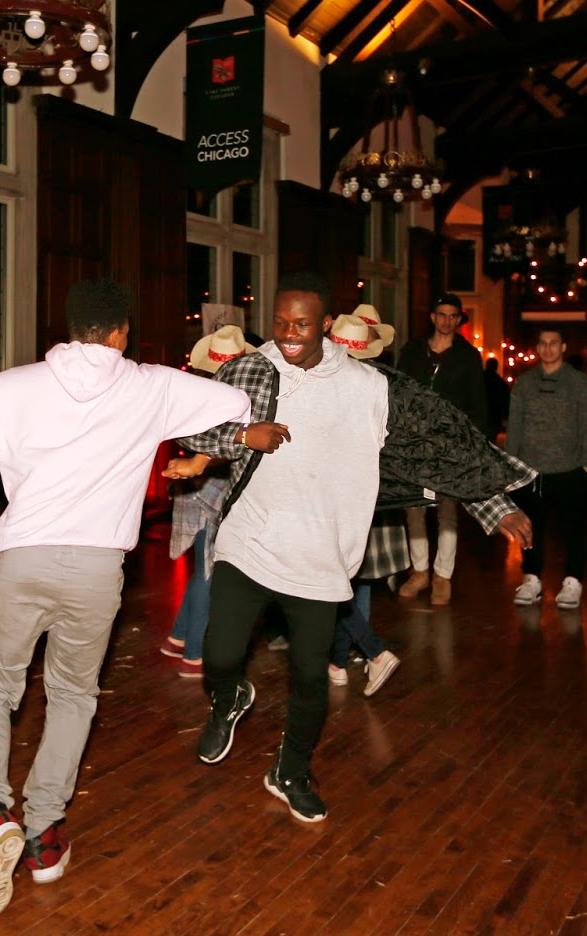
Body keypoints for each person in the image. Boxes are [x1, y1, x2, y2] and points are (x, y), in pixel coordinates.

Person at [0, 279, 262, 922]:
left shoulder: (14, 387)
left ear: (70, 330)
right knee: (73, 695)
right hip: (99, 569)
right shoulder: (152, 387)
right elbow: (237, 401)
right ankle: (44, 836)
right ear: (121, 332)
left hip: (23, 559)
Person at [181, 275, 389, 825]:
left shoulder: (367, 386)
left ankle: (291, 771)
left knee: (310, 678)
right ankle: (230, 695)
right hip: (249, 539)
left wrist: (492, 503)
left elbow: (419, 451)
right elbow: (191, 431)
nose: (288, 334)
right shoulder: (249, 370)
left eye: (301, 324)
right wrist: (240, 437)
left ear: (327, 324)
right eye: (279, 322)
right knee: (219, 653)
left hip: (319, 552)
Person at [164, 325, 250, 678]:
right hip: (212, 490)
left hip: (192, 490)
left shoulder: (195, 393)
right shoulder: (233, 400)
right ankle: (195, 655)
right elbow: (225, 450)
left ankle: (179, 637)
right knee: (209, 572)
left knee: (203, 567)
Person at [396, 293, 491, 604]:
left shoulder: (468, 356)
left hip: (450, 443)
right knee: (414, 507)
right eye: (442, 314)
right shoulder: (413, 351)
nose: (447, 321)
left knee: (447, 510)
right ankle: (419, 571)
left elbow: (478, 403)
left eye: (453, 316)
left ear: (459, 320)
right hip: (414, 441)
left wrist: (474, 444)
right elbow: (397, 391)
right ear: (433, 317)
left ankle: (442, 575)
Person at [325, 313, 402, 696]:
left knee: (330, 582)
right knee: (355, 580)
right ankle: (338, 662)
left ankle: (373, 651)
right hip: (366, 494)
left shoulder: (331, 386)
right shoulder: (377, 384)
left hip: (333, 497)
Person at [506, 327, 587, 609]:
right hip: (531, 470)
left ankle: (573, 581)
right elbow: (515, 425)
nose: (548, 348)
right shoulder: (524, 383)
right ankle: (532, 578)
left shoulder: (579, 382)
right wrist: (511, 464)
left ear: (563, 347)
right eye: (543, 343)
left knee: (574, 529)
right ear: (537, 347)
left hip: (571, 468)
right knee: (529, 528)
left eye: (553, 343)